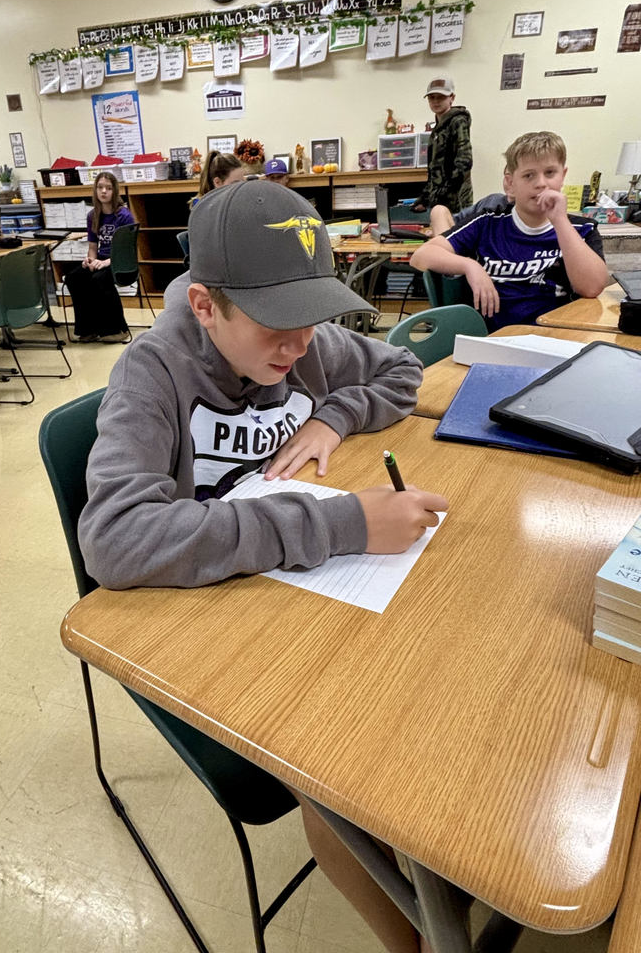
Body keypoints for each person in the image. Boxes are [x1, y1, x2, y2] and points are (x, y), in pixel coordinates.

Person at [79, 179, 447, 952]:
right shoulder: (151, 375)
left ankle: (446, 873)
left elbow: (401, 374)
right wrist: (339, 521)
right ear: (206, 306)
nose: (302, 345)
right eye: (279, 325)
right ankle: (418, 938)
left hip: (304, 599)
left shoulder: (305, 349)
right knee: (334, 763)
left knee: (425, 684)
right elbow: (114, 539)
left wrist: (329, 415)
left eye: (313, 319)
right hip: (211, 626)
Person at [410, 131, 608, 330]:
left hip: (554, 340)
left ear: (562, 176)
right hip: (491, 341)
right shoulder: (487, 223)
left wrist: (560, 221)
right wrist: (471, 266)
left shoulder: (582, 229)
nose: (541, 183)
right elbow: (421, 256)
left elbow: (591, 288)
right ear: (510, 183)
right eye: (529, 175)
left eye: (550, 173)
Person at [63, 172, 133, 343]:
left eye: (108, 188)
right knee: (74, 278)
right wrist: (90, 260)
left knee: (100, 278)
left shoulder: (124, 215)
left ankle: (119, 328)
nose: (103, 192)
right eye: (100, 187)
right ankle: (88, 329)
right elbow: (93, 246)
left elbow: (126, 251)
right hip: (101, 258)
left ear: (114, 191)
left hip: (120, 262)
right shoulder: (92, 216)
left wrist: (105, 263)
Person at [412, 76, 473, 215]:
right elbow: (435, 170)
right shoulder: (437, 128)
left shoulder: (458, 121)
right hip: (441, 201)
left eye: (441, 97)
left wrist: (445, 192)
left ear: (452, 98)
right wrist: (425, 197)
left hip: (456, 202)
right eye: (431, 97)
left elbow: (464, 162)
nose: (436, 101)